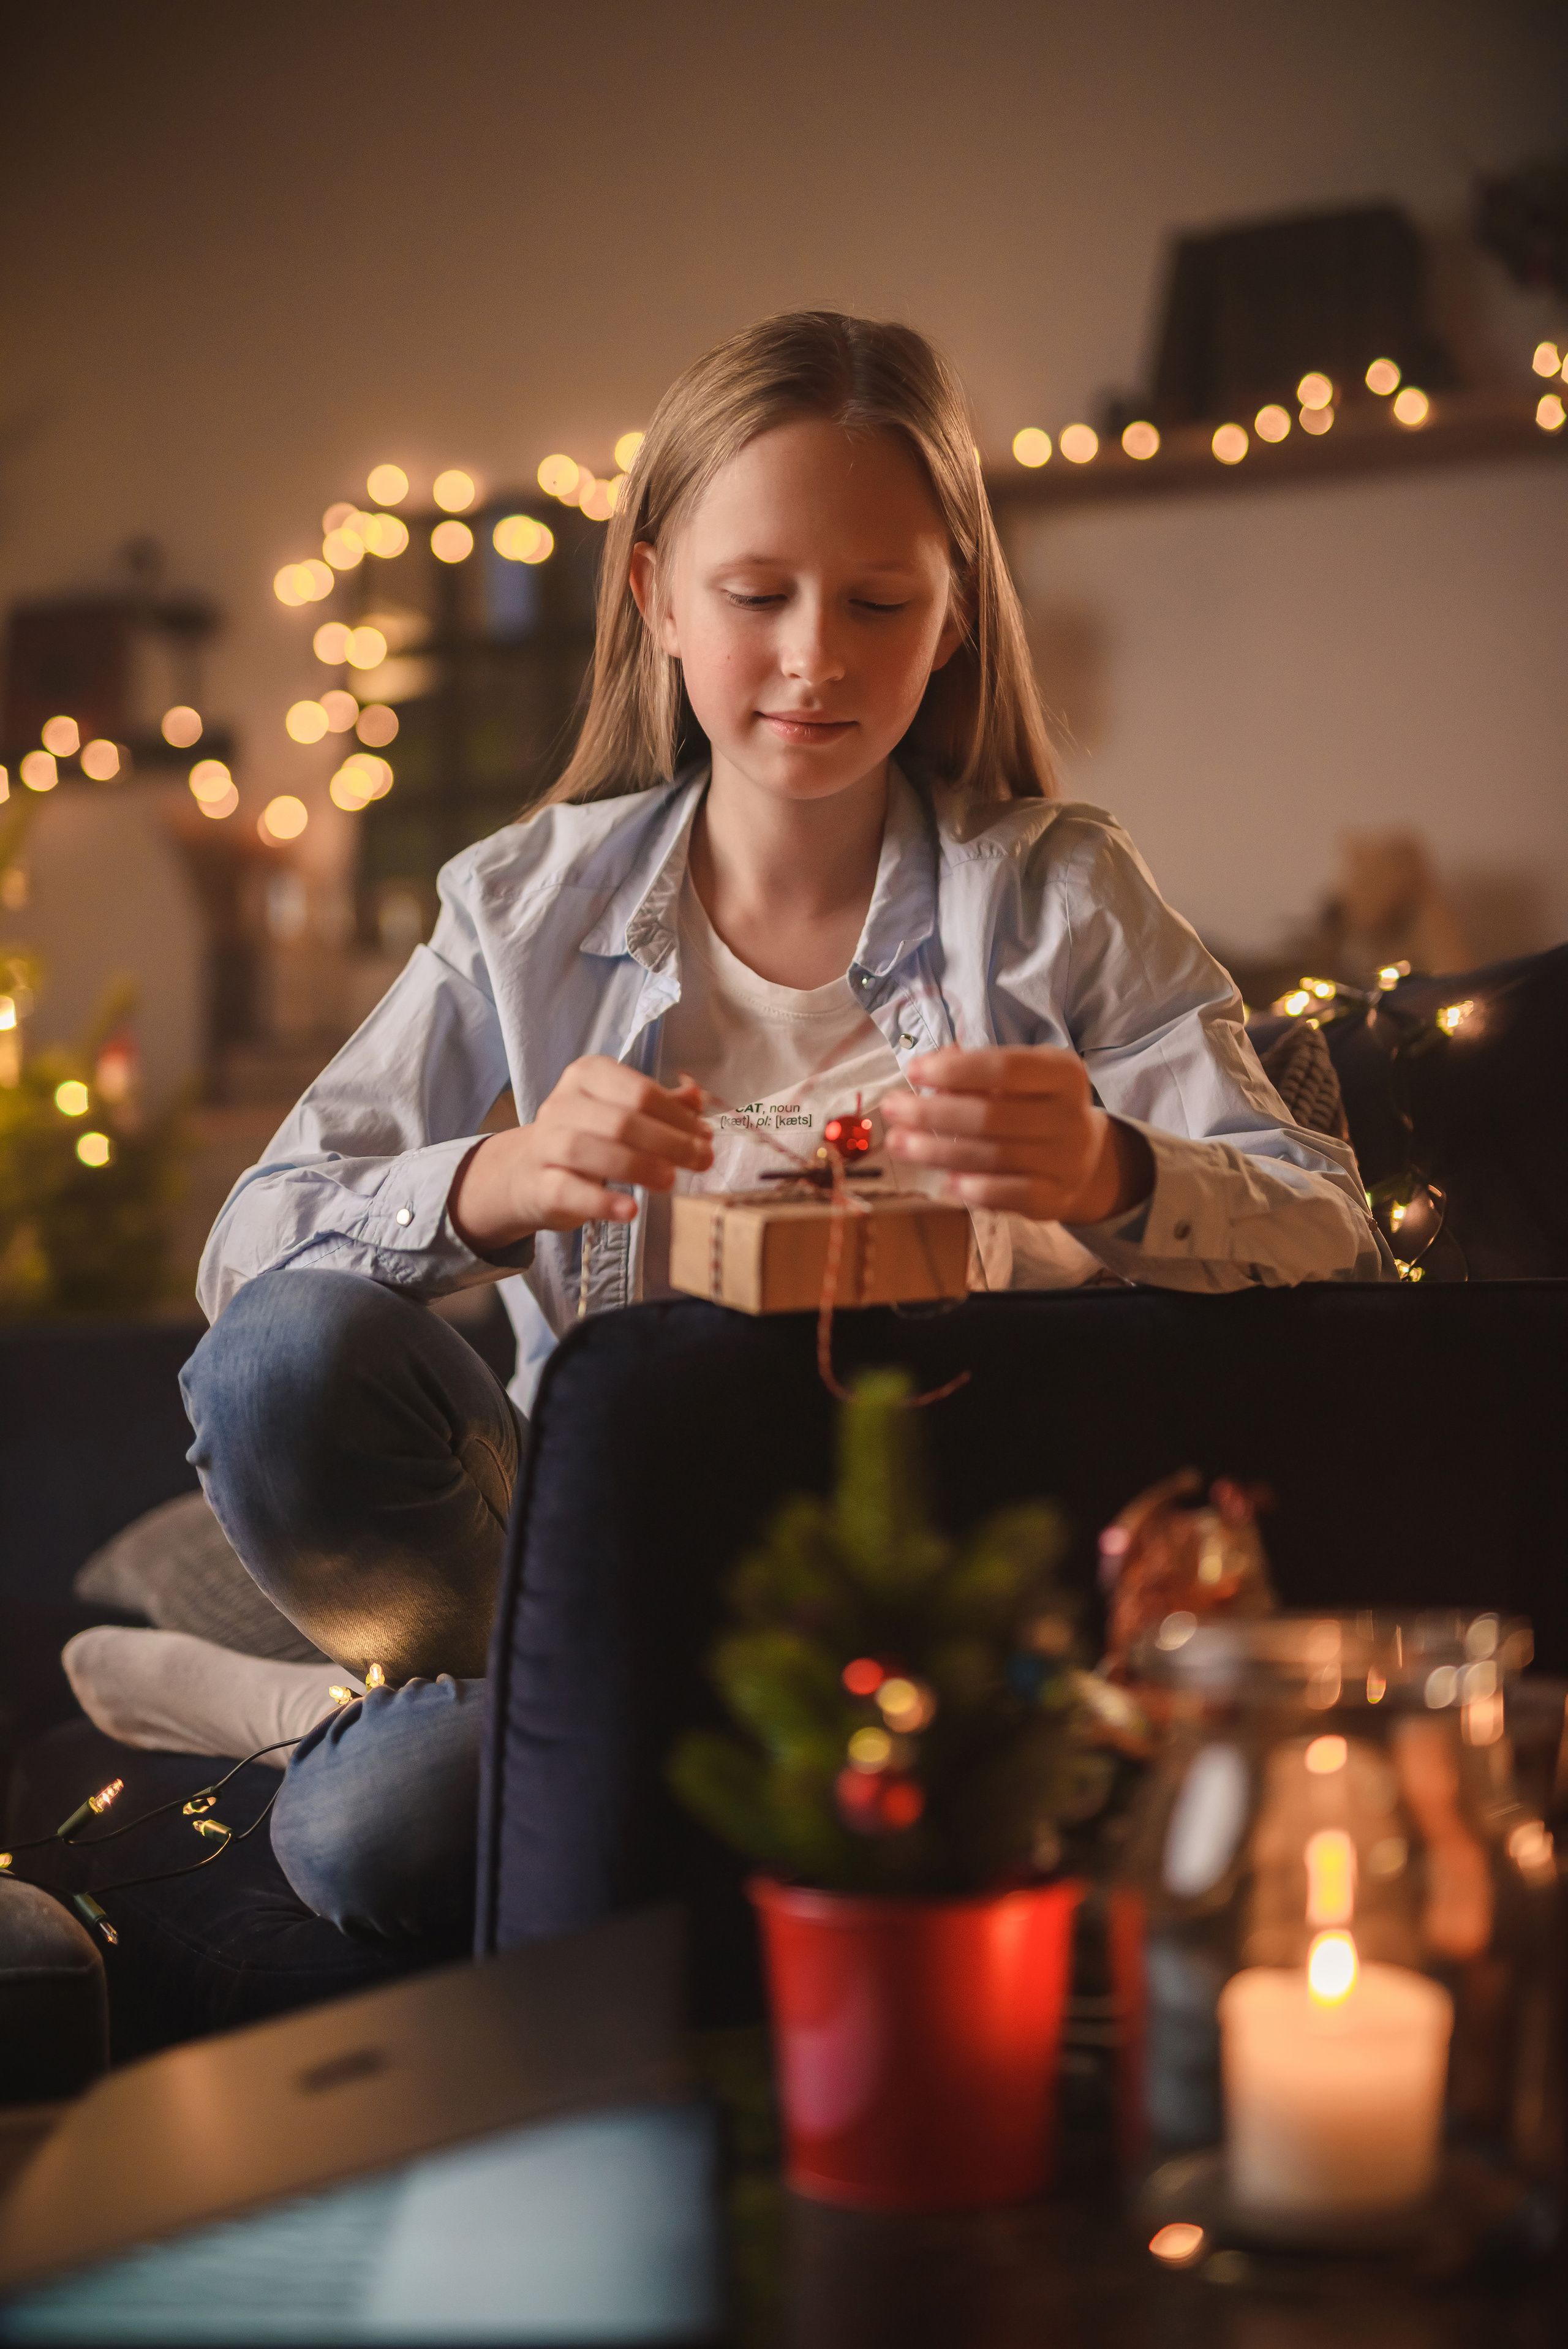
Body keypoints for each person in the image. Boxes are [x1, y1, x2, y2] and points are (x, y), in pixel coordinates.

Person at [71, 311, 1391, 1941]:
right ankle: (469, 1692)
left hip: (928, 1603)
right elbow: (243, 1269)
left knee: (363, 1826)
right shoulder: (524, 900)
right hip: (584, 1565)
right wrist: (493, 1180)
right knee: (290, 1358)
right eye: (758, 593)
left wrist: (1118, 1173)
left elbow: (1329, 1225)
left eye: (880, 600)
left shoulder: (1059, 895)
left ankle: (334, 1720)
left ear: (960, 611)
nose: (815, 657)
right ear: (654, 594)